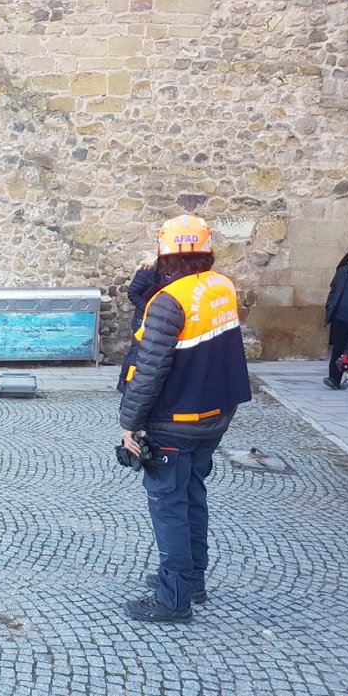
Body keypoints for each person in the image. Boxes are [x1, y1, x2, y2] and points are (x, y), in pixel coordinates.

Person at [118, 215, 251, 623]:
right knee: (192, 496)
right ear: (207, 252)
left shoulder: (169, 301)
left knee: (169, 505)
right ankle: (192, 578)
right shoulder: (221, 286)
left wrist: (129, 424)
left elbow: (149, 370)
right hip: (213, 414)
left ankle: (173, 598)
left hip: (174, 419)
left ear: (164, 255)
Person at [117, 254, 156, 393]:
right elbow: (133, 293)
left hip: (162, 319)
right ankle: (125, 384)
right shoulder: (147, 270)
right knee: (136, 352)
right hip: (143, 319)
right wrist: (150, 309)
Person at [323, 248, 348, 389]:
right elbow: (333, 289)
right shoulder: (343, 271)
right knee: (338, 348)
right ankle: (334, 379)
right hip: (341, 316)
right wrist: (330, 306)